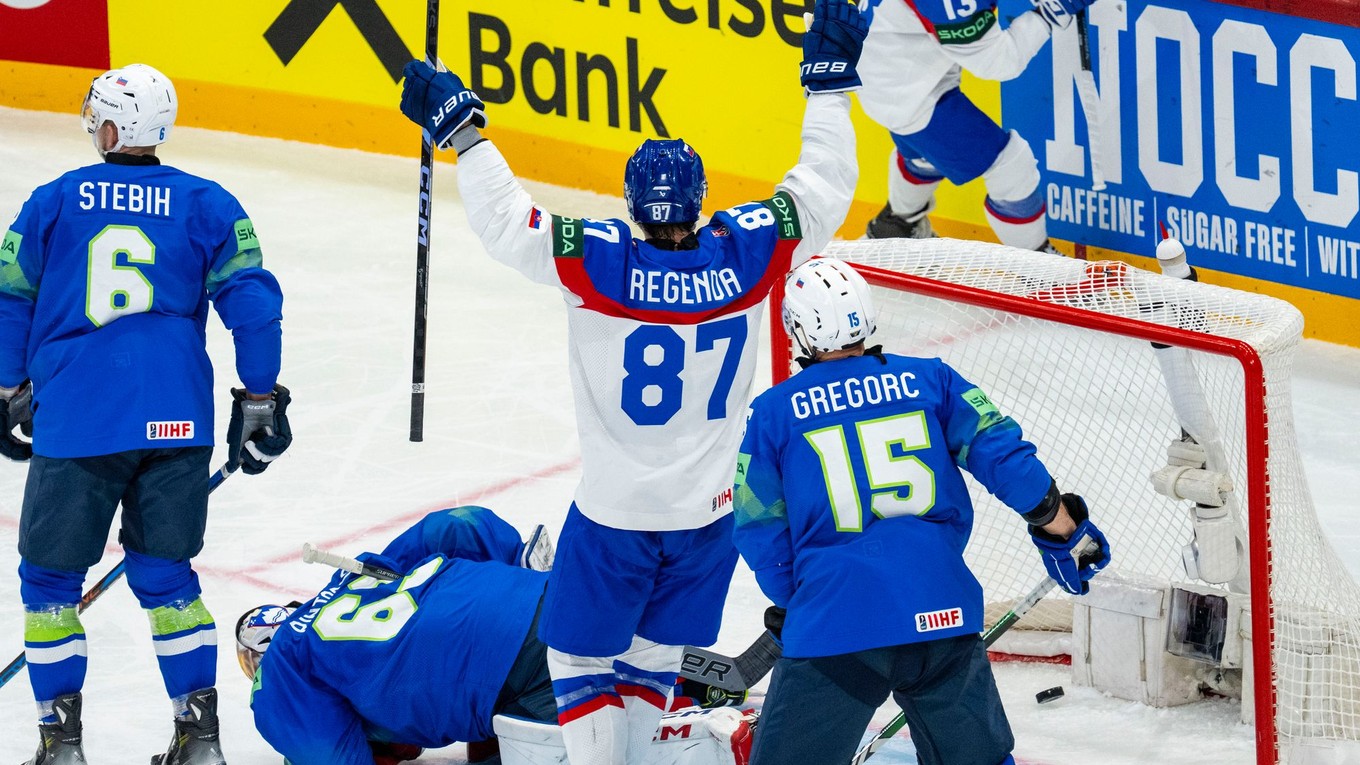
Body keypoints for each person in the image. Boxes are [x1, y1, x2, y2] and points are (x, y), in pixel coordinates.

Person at [395, 2, 865, 763]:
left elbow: (509, 224)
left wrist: (464, 134)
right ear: (702, 200)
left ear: (632, 205)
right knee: (654, 665)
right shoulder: (744, 255)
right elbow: (824, 187)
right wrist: (828, 86)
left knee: (577, 665)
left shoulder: (602, 259)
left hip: (614, 517)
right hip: (707, 520)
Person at [0, 63, 291, 765]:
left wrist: (9, 388)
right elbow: (254, 303)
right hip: (177, 422)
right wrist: (259, 396)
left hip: (79, 420)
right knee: (167, 578)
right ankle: (201, 742)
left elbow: (10, 299)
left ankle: (61, 747)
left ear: (108, 127)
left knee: (48, 585)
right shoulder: (209, 203)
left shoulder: (55, 200)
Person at [731, 258, 1112, 765]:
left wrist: (796, 600)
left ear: (798, 329)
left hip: (836, 623)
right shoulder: (931, 380)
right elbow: (1005, 458)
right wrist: (1062, 529)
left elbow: (760, 529)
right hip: (943, 614)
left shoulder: (774, 412)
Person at [240, 506, 750, 765]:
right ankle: (666, 683)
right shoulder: (360, 577)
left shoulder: (282, 672)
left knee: (612, 750)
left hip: (510, 676)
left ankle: (708, 735)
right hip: (559, 602)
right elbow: (463, 523)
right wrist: (519, 563)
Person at [857, 0, 1098, 251]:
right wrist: (1053, 11)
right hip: (906, 90)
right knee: (1012, 167)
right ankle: (1039, 269)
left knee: (926, 157)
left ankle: (895, 227)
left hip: (890, 69)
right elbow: (1001, 61)